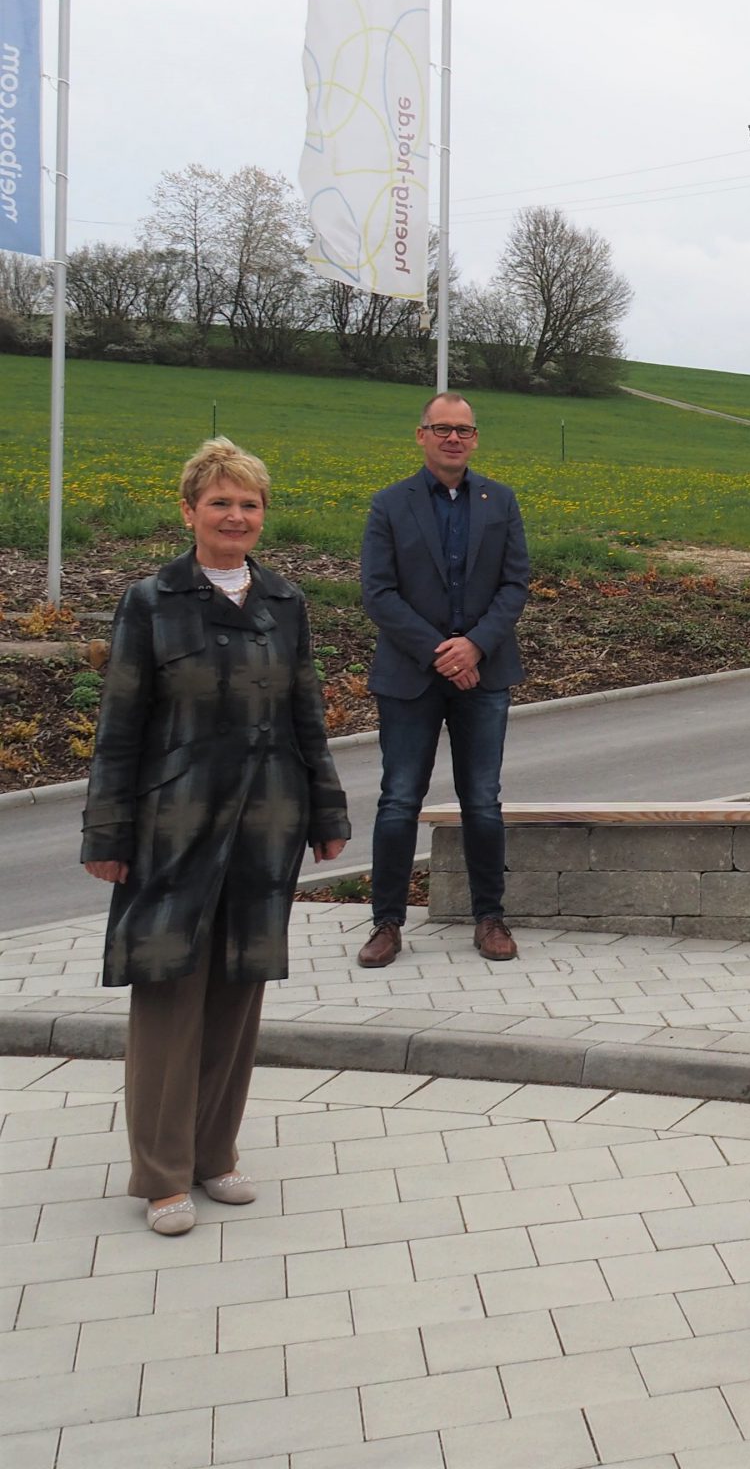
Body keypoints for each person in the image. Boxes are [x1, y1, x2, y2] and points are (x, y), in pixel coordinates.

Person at [80, 439, 350, 1234]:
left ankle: (213, 1154)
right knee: (168, 995)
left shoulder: (287, 603)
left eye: (250, 504)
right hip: (173, 826)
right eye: (222, 502)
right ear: (190, 510)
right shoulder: (151, 600)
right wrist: (108, 829)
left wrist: (328, 813)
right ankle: (161, 1174)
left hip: (266, 822)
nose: (237, 516)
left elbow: (308, 715)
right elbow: (119, 726)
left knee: (238, 989)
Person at [356, 392, 531, 966]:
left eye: (463, 430)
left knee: (482, 801)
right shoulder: (389, 505)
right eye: (442, 429)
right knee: (399, 800)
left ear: (475, 438)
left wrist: (475, 644)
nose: (453, 438)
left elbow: (514, 587)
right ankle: (386, 924)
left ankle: (490, 918)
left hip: (485, 672)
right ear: (421, 435)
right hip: (410, 675)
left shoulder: (500, 502)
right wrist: (442, 652)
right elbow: (378, 593)